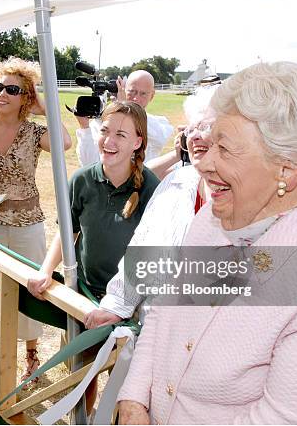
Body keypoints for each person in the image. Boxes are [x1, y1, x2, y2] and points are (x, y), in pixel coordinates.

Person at [117, 62, 297, 424]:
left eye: (224, 148)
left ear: (287, 168)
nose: (203, 164)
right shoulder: (211, 219)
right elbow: (162, 310)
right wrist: (133, 400)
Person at [28, 100, 159, 413]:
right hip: (85, 298)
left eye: (121, 135)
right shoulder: (82, 181)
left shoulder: (152, 188)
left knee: (123, 385)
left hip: (131, 306)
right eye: (105, 131)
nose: (109, 141)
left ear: (138, 142)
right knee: (80, 377)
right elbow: (67, 233)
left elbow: (155, 250)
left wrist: (127, 303)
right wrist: (47, 270)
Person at [0, 56, 71, 382]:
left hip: (27, 226)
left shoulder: (35, 132)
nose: (3, 94)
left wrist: (44, 107)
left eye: (13, 89)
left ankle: (32, 356)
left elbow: (65, 143)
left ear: (26, 97)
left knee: (30, 293)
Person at [83, 84, 219, 329]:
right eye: (192, 128)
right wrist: (119, 303)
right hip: (160, 327)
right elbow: (145, 247)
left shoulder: (255, 198)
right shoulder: (177, 181)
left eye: (206, 127)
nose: (195, 136)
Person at [75, 70, 174, 169]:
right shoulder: (105, 122)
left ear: (151, 95)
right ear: (123, 90)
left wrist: (125, 108)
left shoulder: (159, 124)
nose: (136, 98)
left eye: (143, 94)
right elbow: (88, 164)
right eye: (132, 92)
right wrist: (85, 128)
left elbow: (160, 137)